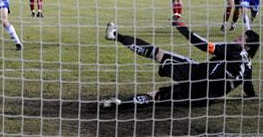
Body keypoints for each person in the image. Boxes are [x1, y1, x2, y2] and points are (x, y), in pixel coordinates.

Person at [102, 20, 258, 108]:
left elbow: (205, 45)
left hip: (196, 74)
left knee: (158, 53)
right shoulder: (248, 68)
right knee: (156, 96)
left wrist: (184, 30)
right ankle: (118, 104)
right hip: (202, 99)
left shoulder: (235, 50)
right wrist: (253, 97)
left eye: (241, 38)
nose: (237, 38)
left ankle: (115, 36)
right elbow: (249, 89)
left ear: (248, 46)